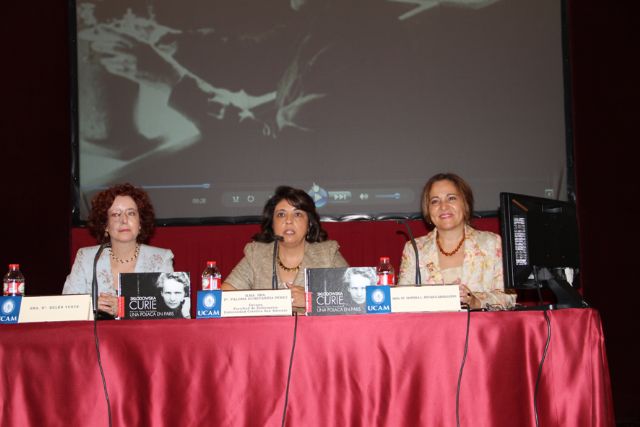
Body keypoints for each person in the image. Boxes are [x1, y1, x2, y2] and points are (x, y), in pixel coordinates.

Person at [398, 173, 516, 310]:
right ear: (428, 210)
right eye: (435, 201)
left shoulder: (492, 243)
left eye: (451, 198)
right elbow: (401, 301)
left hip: (478, 324)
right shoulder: (414, 249)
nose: (443, 206)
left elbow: (509, 298)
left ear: (465, 204)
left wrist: (476, 302)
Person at [222, 185, 348, 311]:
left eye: (297, 214)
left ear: (309, 224)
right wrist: (265, 304)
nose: (288, 221)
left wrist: (311, 300)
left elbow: (352, 298)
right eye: (281, 214)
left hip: (315, 325)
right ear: (272, 224)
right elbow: (224, 297)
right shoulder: (256, 255)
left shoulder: (328, 254)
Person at [63, 183, 174, 317]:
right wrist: (91, 305)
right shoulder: (86, 258)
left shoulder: (161, 259)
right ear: (105, 225)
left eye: (131, 213)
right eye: (116, 214)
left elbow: (171, 310)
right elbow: (66, 307)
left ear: (140, 223)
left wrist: (123, 308)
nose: (124, 220)